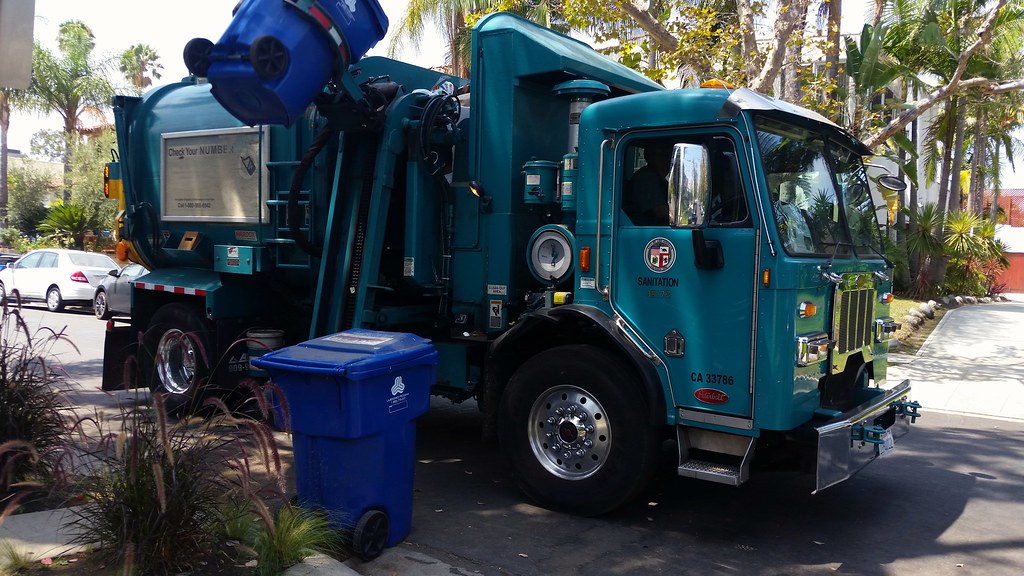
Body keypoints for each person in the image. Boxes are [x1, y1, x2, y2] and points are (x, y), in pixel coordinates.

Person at [624, 146, 671, 225]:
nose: (666, 159)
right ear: (649, 157)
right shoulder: (647, 177)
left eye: (668, 155)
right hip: (646, 231)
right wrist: (684, 215)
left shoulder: (662, 180)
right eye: (660, 155)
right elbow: (661, 211)